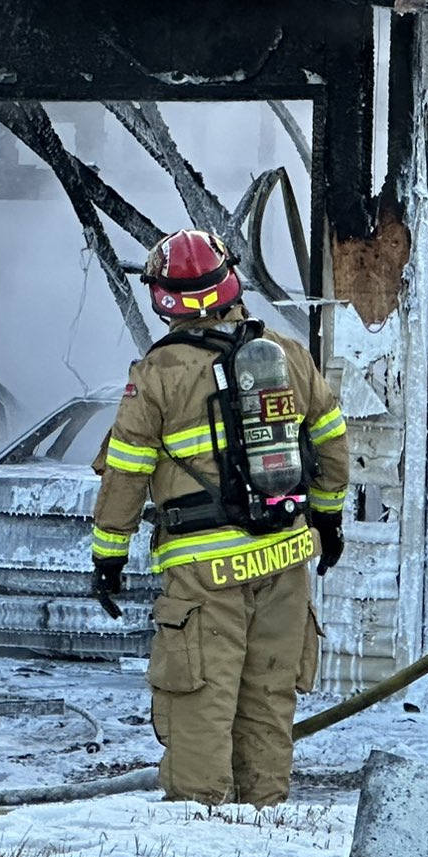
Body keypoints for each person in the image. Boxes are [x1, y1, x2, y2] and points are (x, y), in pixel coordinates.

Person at [89, 228, 350, 805]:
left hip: (205, 571)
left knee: (200, 703)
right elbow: (331, 441)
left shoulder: (157, 374)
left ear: (163, 298)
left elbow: (126, 471)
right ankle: (262, 832)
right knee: (267, 698)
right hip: (284, 554)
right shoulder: (286, 355)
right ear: (229, 283)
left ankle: (199, 846)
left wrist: (108, 553)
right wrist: (327, 522)